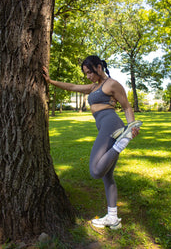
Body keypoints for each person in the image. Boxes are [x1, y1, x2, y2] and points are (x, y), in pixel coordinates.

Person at [43, 55, 142, 229]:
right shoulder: (94, 86)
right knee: (107, 175)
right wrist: (50, 81)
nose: (88, 76)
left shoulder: (111, 84)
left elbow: (126, 106)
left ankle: (121, 143)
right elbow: (72, 86)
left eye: (89, 72)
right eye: (85, 74)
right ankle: (113, 218)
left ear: (98, 67)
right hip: (107, 125)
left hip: (111, 124)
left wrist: (132, 126)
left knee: (96, 171)